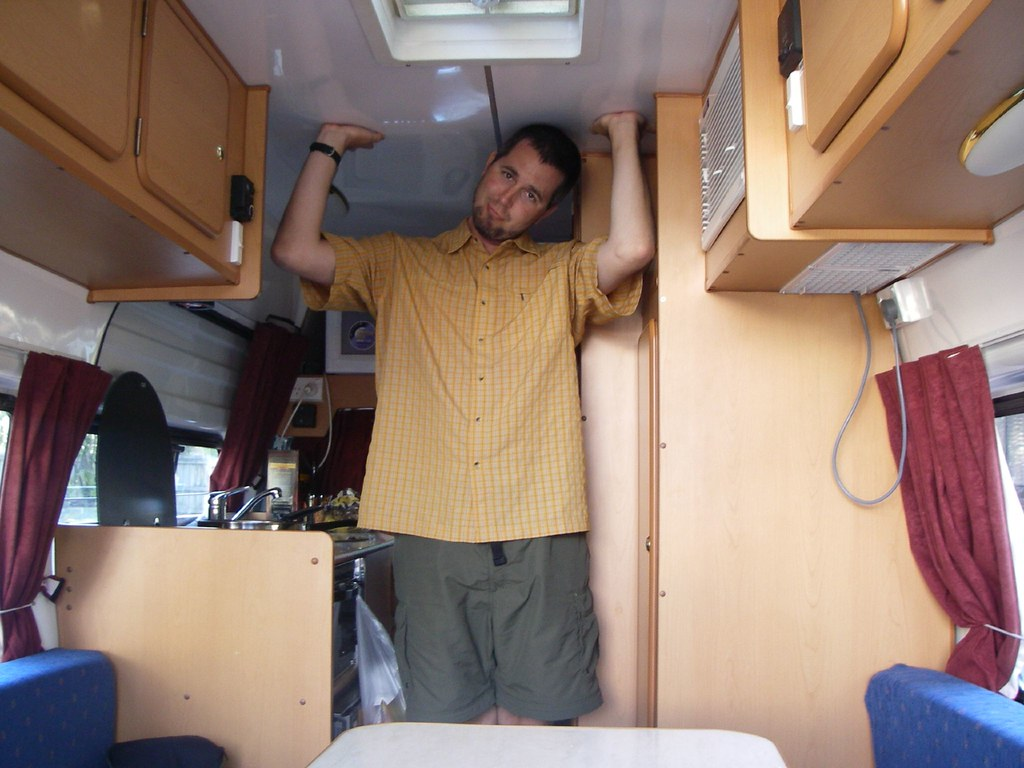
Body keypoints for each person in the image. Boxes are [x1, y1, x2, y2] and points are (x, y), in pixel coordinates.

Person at [271, 111, 655, 725]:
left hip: (539, 523)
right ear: (487, 166)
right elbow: (293, 250)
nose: (507, 197)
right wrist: (331, 141)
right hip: (430, 521)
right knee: (450, 720)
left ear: (547, 212)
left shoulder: (561, 271)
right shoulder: (396, 261)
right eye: (507, 175)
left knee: (543, 716)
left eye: (531, 194)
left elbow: (633, 249)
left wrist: (625, 133)